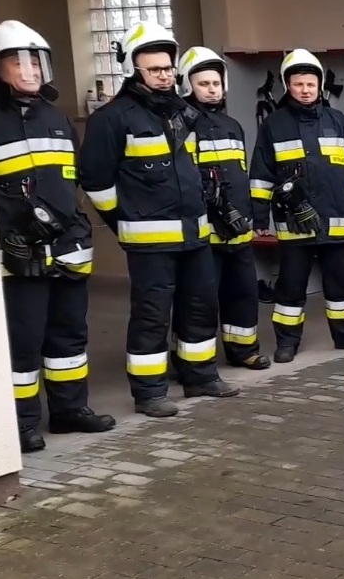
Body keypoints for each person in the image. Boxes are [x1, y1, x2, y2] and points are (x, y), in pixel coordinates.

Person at [79, 21, 239, 417]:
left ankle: (200, 376)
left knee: (200, 306)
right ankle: (149, 392)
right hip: (149, 241)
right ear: (135, 71)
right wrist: (126, 220)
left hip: (195, 233)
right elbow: (96, 182)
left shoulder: (183, 112)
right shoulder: (112, 119)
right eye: (155, 70)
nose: (165, 75)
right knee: (152, 315)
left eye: (168, 68)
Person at [0, 20, 116, 453]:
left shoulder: (56, 119)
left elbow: (67, 185)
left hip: (66, 250)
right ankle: (20, 424)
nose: (31, 70)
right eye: (18, 62)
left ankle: (69, 410)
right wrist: (7, 234)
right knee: (24, 342)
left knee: (69, 338)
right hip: (18, 255)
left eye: (36, 61)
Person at [248, 49, 344, 364]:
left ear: (319, 85)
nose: (305, 90)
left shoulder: (337, 121)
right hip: (294, 226)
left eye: (310, 84)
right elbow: (261, 175)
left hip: (334, 222)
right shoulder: (274, 125)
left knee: (339, 287)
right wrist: (259, 217)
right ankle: (287, 343)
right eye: (298, 84)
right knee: (290, 288)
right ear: (286, 86)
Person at [178, 45, 270, 370]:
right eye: (204, 84)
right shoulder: (179, 126)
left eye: (216, 83)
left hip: (238, 230)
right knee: (199, 302)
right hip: (204, 233)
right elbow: (183, 180)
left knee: (243, 293)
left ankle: (244, 351)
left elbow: (239, 176)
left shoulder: (233, 125)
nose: (212, 89)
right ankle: (194, 365)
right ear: (188, 85)